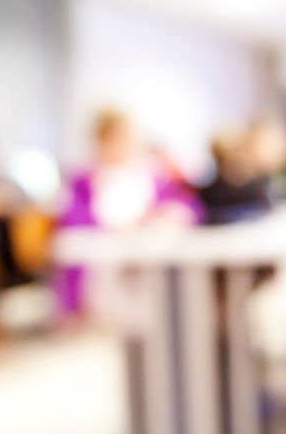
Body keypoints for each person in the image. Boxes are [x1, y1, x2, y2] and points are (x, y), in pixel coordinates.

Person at [55, 109, 201, 315]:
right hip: (103, 268)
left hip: (151, 262)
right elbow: (71, 222)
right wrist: (114, 227)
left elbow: (187, 206)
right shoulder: (83, 180)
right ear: (101, 141)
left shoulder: (150, 174)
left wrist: (165, 215)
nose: (124, 146)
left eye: (128, 139)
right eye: (117, 139)